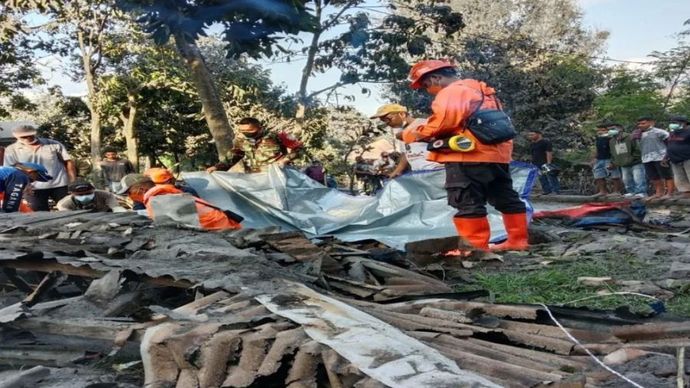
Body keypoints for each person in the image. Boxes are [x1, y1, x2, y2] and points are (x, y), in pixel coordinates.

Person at [400, 59, 528, 252]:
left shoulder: (452, 91)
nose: (428, 91)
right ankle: (518, 241)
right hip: (497, 157)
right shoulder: (483, 91)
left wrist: (411, 133)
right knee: (506, 197)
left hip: (467, 157)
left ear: (436, 78)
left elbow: (442, 123)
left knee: (468, 202)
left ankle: (473, 249)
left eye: (427, 85)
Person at [117, 173, 242, 231]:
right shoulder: (163, 194)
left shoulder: (159, 198)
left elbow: (177, 229)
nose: (129, 197)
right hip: (222, 227)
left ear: (140, 189)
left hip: (223, 231)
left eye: (129, 193)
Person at [3, 125, 76, 210]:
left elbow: (68, 161)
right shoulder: (11, 150)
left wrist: (72, 181)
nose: (28, 138)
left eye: (30, 135)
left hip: (60, 185)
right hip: (33, 188)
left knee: (68, 210)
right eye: (24, 137)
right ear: (15, 136)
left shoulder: (53, 144)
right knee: (40, 214)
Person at [370, 104, 442, 178]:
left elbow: (439, 141)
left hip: (438, 171)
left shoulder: (424, 123)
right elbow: (406, 153)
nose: (387, 123)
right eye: (384, 121)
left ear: (402, 114)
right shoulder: (402, 132)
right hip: (420, 174)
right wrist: (396, 172)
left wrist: (410, 135)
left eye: (388, 119)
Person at [225, 117, 303, 173]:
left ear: (260, 128)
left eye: (250, 130)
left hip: (279, 175)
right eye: (242, 131)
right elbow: (234, 156)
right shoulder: (241, 140)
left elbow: (299, 149)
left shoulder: (278, 136)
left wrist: (286, 159)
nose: (246, 133)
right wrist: (216, 167)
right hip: (256, 178)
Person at [637, 116, 675, 199]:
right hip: (646, 157)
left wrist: (667, 156)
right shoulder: (638, 134)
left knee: (667, 175)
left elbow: (669, 143)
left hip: (660, 156)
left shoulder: (660, 132)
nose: (640, 125)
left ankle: (670, 193)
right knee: (653, 176)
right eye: (639, 124)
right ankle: (659, 193)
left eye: (643, 123)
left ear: (651, 122)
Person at [608, 123, 646, 198]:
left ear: (620, 129)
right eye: (609, 129)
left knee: (638, 178)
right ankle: (631, 192)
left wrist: (633, 158)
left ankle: (641, 192)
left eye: (613, 129)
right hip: (623, 164)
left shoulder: (630, 137)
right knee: (626, 179)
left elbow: (637, 149)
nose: (611, 130)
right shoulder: (611, 141)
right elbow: (612, 153)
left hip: (636, 162)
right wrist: (614, 162)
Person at [591, 123, 624, 196]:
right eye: (599, 130)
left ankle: (616, 191)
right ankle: (603, 191)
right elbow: (597, 149)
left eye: (603, 130)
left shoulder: (613, 138)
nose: (601, 132)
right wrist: (594, 158)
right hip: (599, 159)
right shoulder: (598, 138)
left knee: (615, 176)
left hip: (610, 159)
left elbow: (617, 150)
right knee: (599, 176)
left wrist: (614, 161)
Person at [527, 130, 560, 195]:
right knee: (542, 177)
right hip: (536, 164)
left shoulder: (545, 142)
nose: (530, 136)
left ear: (539, 134)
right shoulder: (532, 144)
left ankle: (555, 191)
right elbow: (532, 154)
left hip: (545, 163)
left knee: (551, 177)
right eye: (529, 135)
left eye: (532, 135)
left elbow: (549, 153)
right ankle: (547, 190)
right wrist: (532, 163)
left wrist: (548, 163)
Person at [56, 180, 123, 212]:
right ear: (71, 193)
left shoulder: (106, 195)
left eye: (88, 193)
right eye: (80, 195)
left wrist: (119, 210)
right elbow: (68, 218)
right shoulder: (64, 204)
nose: (85, 196)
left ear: (94, 190)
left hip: (105, 216)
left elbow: (116, 208)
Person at [666, 115, 690, 198]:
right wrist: (666, 157)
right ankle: (686, 193)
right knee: (680, 177)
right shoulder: (673, 133)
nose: (672, 124)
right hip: (674, 159)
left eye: (674, 123)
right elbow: (670, 144)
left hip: (687, 157)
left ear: (683, 123)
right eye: (671, 123)